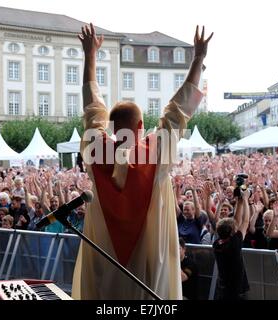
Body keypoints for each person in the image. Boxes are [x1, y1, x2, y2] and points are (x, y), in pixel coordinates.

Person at [72, 23, 212, 300]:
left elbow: (91, 107)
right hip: (147, 267)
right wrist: (198, 58)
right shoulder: (155, 153)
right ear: (141, 126)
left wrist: (90, 55)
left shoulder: (96, 149)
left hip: (107, 266)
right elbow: (179, 110)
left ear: (112, 128)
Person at [213, 189, 251, 300]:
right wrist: (245, 200)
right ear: (232, 232)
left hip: (223, 288)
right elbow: (245, 221)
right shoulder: (234, 244)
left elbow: (237, 221)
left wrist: (239, 202)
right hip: (237, 290)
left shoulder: (216, 244)